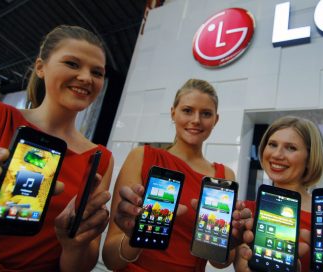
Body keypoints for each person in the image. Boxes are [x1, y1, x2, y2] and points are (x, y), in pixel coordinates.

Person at [0, 25, 114, 271]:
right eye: (72, 64)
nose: (87, 78)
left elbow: (79, 265)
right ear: (41, 67)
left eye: (97, 72)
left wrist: (73, 245)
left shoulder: (100, 159)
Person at [102, 79, 250, 271]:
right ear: (173, 112)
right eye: (187, 110)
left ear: (216, 120)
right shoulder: (143, 157)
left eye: (206, 113)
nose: (196, 120)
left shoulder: (224, 175)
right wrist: (134, 236)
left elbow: (219, 262)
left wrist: (229, 242)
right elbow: (110, 258)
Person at [233, 116, 323, 271]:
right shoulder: (247, 211)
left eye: (291, 148)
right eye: (272, 144)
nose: (277, 154)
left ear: (309, 158)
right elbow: (241, 262)